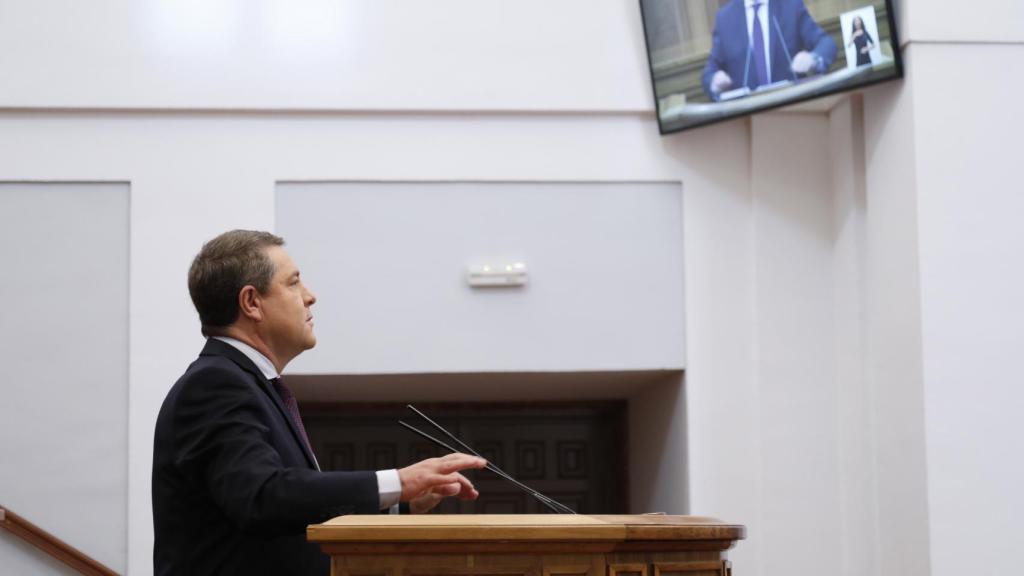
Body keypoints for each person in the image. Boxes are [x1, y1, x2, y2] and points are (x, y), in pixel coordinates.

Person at [152, 230, 487, 575]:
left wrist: (400, 502)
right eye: (293, 283)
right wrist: (397, 482)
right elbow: (263, 497)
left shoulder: (249, 385)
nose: (310, 296)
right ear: (251, 302)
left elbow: (291, 511)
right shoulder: (215, 384)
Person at [702, 0, 837, 100]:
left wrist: (813, 58)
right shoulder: (725, 18)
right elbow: (710, 71)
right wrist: (715, 80)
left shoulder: (790, 5)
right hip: (747, 116)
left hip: (792, 105)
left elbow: (826, 43)